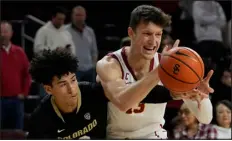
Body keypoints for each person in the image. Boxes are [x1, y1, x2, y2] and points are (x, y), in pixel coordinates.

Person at [96, 5, 214, 139]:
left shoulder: (170, 66)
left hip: (154, 135)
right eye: (147, 33)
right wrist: (160, 70)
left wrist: (202, 98)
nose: (153, 41)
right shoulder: (109, 64)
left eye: (158, 34)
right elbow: (123, 103)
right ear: (131, 33)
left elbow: (205, 118)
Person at [27, 48, 177, 139]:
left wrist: (175, 93)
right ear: (48, 89)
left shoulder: (92, 93)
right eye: (62, 84)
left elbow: (139, 93)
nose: (72, 89)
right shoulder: (41, 120)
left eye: (73, 80)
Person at [0, 21, 31, 130]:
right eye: (1, 32)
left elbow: (27, 75)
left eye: (5, 31)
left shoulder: (19, 52)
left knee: (18, 131)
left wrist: (25, 93)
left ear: (11, 33)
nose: (3, 34)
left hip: (17, 100)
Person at [66, 6, 98, 82]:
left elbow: (94, 51)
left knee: (90, 93)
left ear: (85, 16)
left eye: (81, 15)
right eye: (77, 15)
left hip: (89, 69)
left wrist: (93, 65)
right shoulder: (65, 31)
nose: (79, 18)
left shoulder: (90, 31)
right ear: (72, 16)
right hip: (73, 70)